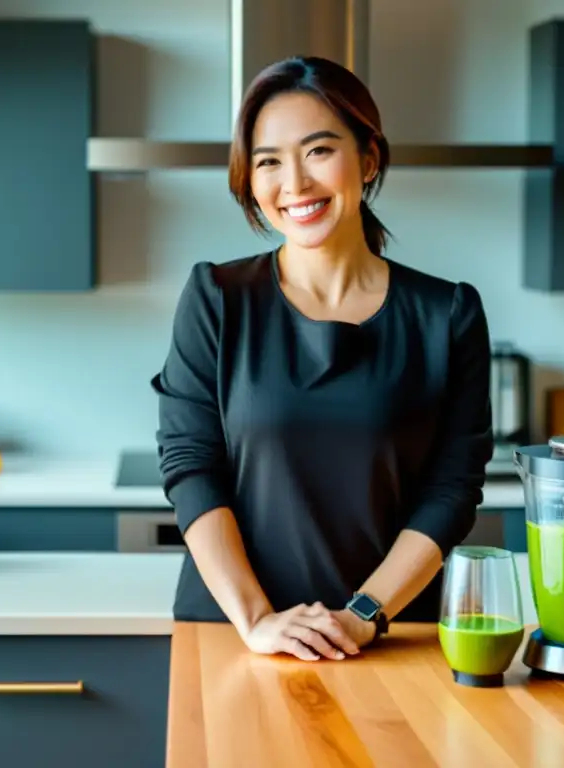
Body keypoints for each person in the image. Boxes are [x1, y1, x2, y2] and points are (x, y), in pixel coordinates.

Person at [150, 56, 494, 662]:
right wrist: (258, 621)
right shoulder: (217, 299)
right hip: (233, 633)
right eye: (268, 161)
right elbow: (190, 467)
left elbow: (452, 490)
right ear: (250, 180)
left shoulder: (449, 315)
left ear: (367, 158)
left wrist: (364, 614)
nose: (295, 184)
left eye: (317, 151)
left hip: (395, 637)